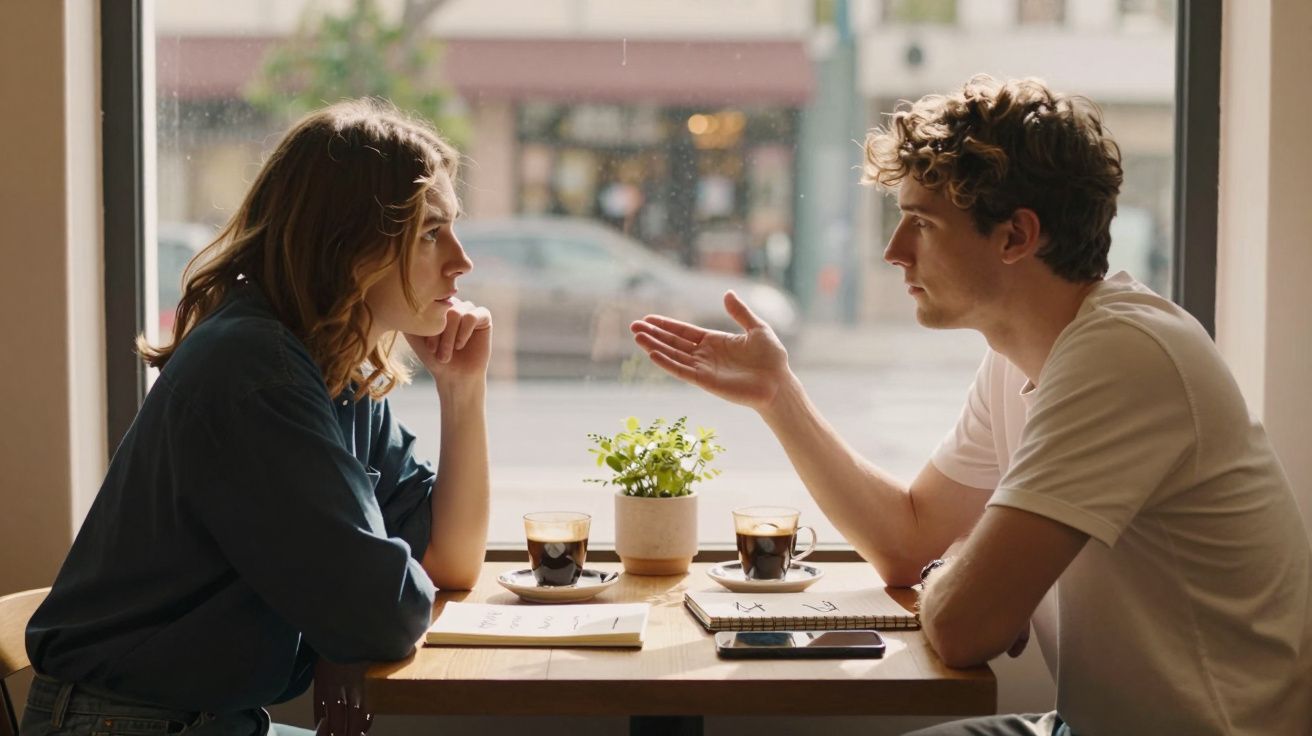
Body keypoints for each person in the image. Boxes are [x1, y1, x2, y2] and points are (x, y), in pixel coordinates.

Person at [630, 75, 1312, 735]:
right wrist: (780, 397)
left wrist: (958, 582)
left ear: (1016, 236)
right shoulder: (1020, 356)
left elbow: (962, 628)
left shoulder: (1124, 357)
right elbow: (909, 540)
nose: (894, 252)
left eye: (921, 224)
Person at [21, 99, 492, 736]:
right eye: (431, 232)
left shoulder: (331, 367)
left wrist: (461, 393)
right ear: (348, 242)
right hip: (129, 723)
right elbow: (383, 614)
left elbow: (451, 560)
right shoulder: (257, 369)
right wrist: (356, 606)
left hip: (209, 719)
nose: (461, 261)